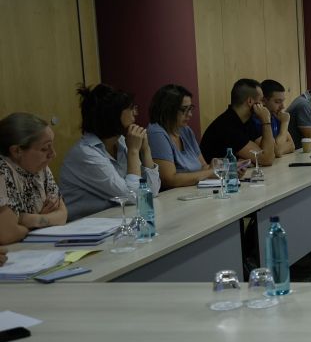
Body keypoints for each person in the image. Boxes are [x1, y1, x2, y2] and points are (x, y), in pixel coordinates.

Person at [60, 84, 161, 221]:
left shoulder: (121, 141)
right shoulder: (85, 154)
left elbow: (152, 191)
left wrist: (146, 149)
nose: (135, 113)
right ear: (113, 114)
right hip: (85, 227)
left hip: (114, 219)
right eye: (131, 108)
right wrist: (133, 151)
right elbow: (132, 196)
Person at [0, 113, 68, 244]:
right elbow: (8, 234)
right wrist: (40, 222)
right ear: (17, 151)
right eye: (44, 148)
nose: (53, 154)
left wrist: (29, 220)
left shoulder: (40, 167)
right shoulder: (2, 170)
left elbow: (62, 215)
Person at [147, 84, 216, 188]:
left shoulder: (185, 130)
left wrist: (220, 167)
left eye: (190, 109)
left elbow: (203, 167)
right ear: (168, 109)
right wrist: (211, 172)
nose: (190, 114)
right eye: (184, 110)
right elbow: (170, 179)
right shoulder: (156, 133)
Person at [199, 79, 276, 166]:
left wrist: (260, 157)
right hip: (216, 174)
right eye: (261, 100)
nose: (264, 104)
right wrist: (266, 121)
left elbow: (271, 152)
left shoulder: (247, 121)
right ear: (250, 101)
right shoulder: (227, 126)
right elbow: (267, 159)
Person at [252, 79, 295, 157]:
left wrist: (279, 148)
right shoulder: (256, 121)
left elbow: (292, 145)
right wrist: (285, 123)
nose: (283, 106)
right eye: (278, 102)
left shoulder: (276, 117)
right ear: (263, 101)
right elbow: (276, 151)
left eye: (283, 101)